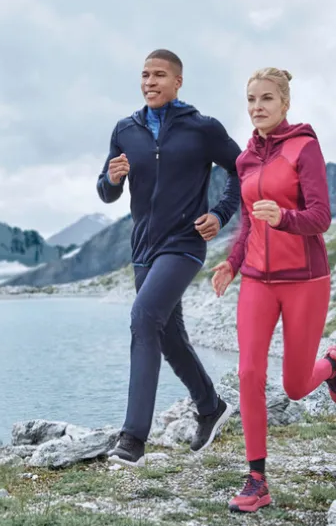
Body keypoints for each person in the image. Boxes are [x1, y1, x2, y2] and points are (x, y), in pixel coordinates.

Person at [210, 67, 336, 512]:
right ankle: (257, 480)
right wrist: (232, 263)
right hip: (257, 280)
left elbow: (321, 217)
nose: (258, 107)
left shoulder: (303, 147)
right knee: (249, 373)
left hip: (305, 280)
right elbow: (249, 223)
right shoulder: (245, 160)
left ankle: (331, 364)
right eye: (251, 100)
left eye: (267, 98)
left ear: (285, 103)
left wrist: (285, 218)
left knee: (293, 386)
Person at [97, 49, 241, 467]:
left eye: (159, 75)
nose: (150, 82)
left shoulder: (202, 128)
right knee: (168, 337)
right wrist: (112, 179)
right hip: (143, 249)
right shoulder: (125, 130)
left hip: (184, 244)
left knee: (143, 318)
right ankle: (210, 406)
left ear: (178, 81)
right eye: (145, 75)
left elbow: (241, 170)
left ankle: (133, 438)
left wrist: (221, 213)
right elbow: (105, 191)